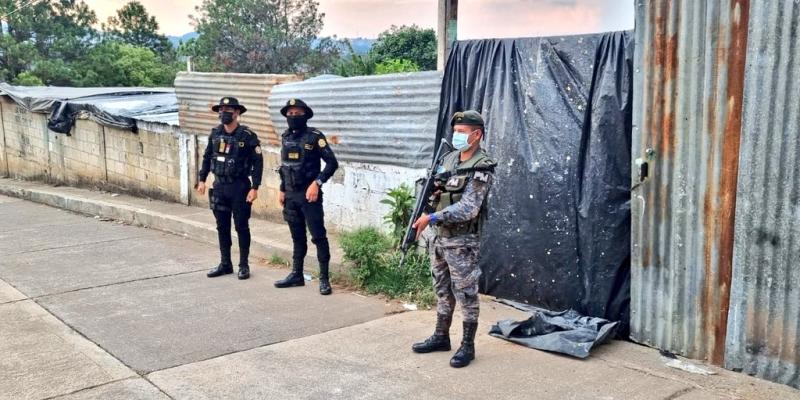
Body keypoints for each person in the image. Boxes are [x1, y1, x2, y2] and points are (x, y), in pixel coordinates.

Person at [410, 110, 496, 368]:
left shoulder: (482, 166)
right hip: (440, 239)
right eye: (456, 132)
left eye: (462, 132)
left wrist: (433, 218)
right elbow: (435, 192)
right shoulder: (448, 159)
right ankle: (440, 336)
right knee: (442, 289)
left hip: (463, 241)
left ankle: (467, 346)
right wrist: (428, 199)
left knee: (466, 292)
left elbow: (469, 208)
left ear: (476, 134)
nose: (457, 136)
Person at [274, 98, 339, 295]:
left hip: (309, 196)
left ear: (305, 115)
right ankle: (297, 274)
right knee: (297, 237)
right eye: (290, 114)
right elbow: (285, 166)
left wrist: (317, 183)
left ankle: (324, 279)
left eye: (297, 113)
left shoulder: (314, 137)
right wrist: (282, 188)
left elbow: (331, 163)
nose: (293, 117)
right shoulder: (285, 137)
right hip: (291, 196)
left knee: (318, 236)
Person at [197, 97, 263, 280]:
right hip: (219, 185)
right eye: (221, 109)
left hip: (240, 187)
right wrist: (202, 179)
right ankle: (225, 264)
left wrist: (255, 187)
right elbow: (207, 156)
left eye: (228, 109)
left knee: (241, 226)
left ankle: (243, 265)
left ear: (237, 113)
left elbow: (258, 162)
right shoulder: (216, 133)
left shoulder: (247, 136)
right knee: (222, 226)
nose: (224, 112)